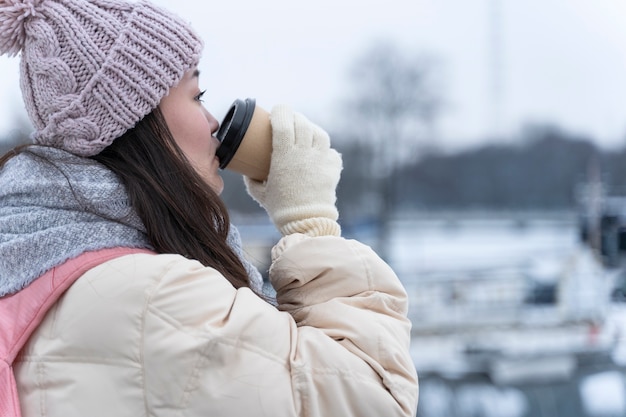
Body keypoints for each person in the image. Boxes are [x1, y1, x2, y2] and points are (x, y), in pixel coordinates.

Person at [0, 0, 419, 416]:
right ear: (136, 121)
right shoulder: (157, 298)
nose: (215, 121)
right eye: (197, 95)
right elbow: (372, 400)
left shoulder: (30, 259)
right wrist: (312, 225)